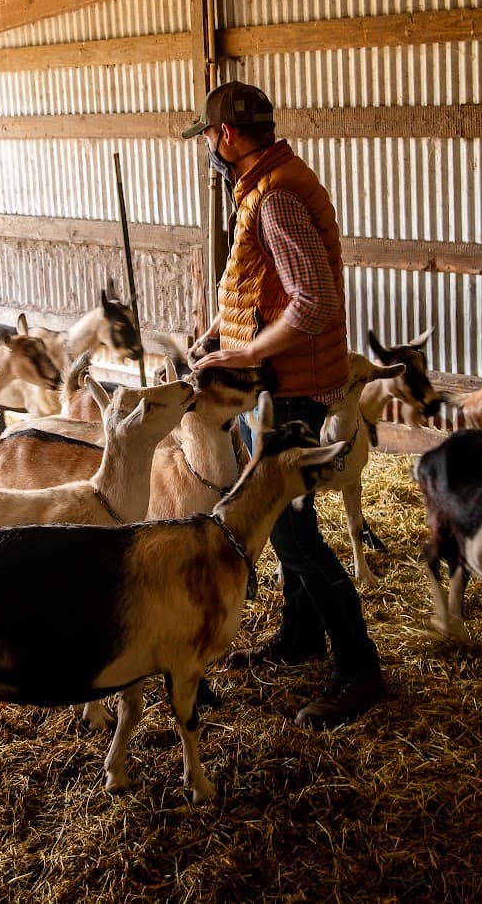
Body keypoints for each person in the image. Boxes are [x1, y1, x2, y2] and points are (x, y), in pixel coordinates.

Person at [183, 80, 384, 730]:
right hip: (275, 376)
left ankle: (359, 667)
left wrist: (243, 353)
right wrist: (219, 334)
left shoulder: (276, 198)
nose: (209, 147)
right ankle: (300, 633)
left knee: (292, 534)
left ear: (226, 135)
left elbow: (313, 303)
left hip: (289, 386)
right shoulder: (264, 185)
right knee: (287, 518)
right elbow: (260, 288)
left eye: (210, 136)